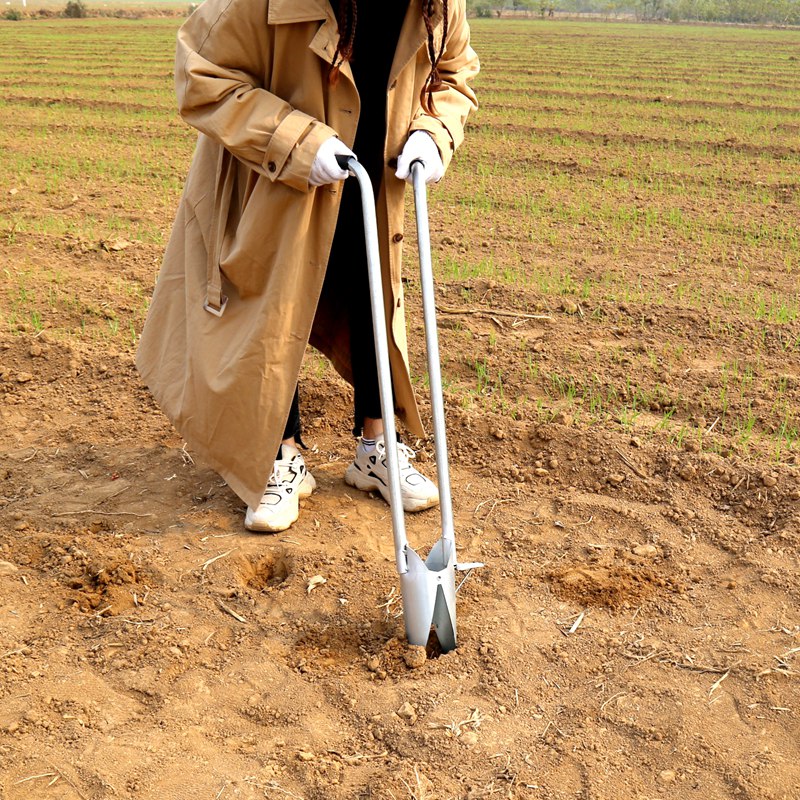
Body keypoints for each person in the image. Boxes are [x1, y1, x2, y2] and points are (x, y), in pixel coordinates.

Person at [136, 0, 479, 532]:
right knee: (274, 308)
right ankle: (279, 455)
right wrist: (297, 141)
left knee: (373, 297)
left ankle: (376, 447)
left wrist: (433, 132)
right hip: (274, 181)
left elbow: (451, 72)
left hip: (376, 174)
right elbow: (201, 74)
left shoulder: (437, 1)